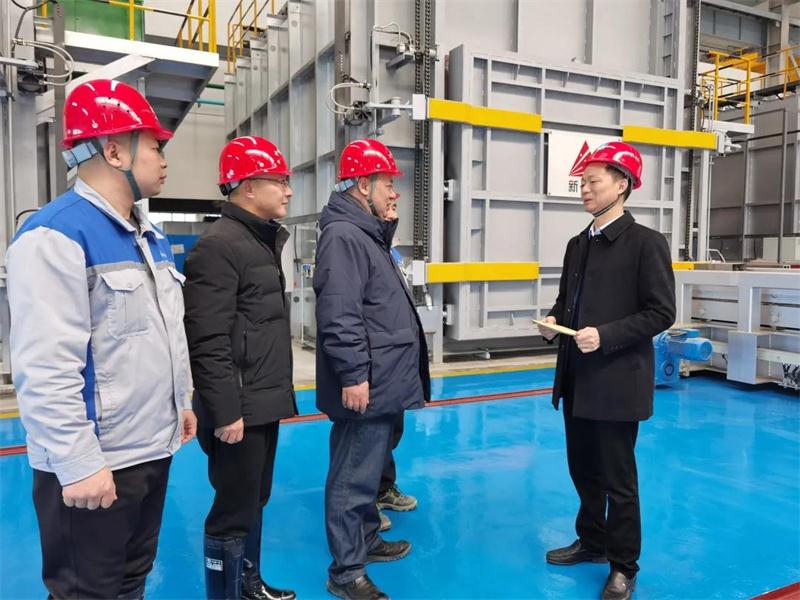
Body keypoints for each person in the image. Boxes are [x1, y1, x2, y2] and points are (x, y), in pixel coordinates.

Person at [5, 78, 196, 599]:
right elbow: (45, 367)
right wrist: (78, 464)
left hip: (148, 449)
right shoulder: (55, 235)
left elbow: (161, 332)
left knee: (132, 579)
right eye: (155, 146)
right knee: (86, 591)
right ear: (114, 151)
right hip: (97, 461)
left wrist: (180, 401)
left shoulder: (149, 236)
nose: (164, 160)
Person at [537, 141, 676, 600]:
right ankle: (592, 541)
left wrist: (606, 334)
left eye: (593, 182)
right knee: (583, 469)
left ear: (621, 185)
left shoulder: (646, 244)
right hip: (577, 379)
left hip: (616, 381)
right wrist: (553, 322)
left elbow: (661, 312)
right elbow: (568, 302)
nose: (584, 189)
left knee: (619, 479)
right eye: (581, 182)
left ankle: (623, 565)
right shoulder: (578, 244)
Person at [314, 139, 431, 600]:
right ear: (363, 185)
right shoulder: (344, 236)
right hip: (367, 380)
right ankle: (346, 572)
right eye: (387, 183)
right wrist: (353, 375)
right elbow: (340, 313)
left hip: (382, 377)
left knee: (367, 474)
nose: (394, 192)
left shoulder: (366, 234)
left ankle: (366, 541)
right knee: (352, 478)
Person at [183, 136, 298, 600]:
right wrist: (226, 410)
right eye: (279, 181)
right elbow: (207, 339)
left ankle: (248, 584)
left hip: (261, 399)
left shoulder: (258, 241)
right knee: (232, 510)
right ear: (248, 187)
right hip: (239, 407)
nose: (288, 190)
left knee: (254, 498)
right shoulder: (219, 246)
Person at [376, 199, 418, 533]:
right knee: (367, 440)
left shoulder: (387, 249)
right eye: (388, 190)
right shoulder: (354, 241)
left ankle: (382, 488)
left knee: (390, 432)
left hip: (395, 362)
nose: (395, 200)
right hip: (376, 362)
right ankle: (363, 505)